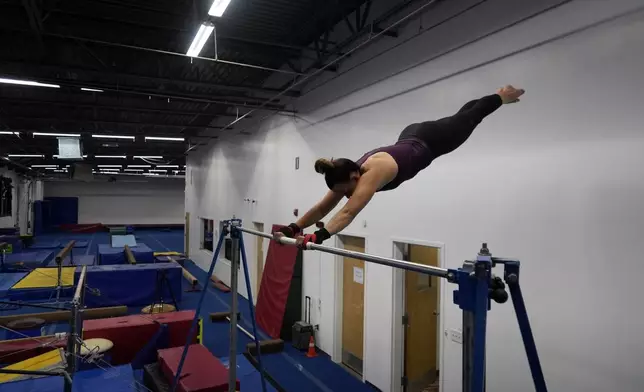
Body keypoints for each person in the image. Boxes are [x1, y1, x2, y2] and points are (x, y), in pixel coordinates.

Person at [274, 85, 525, 248]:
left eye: (348, 190)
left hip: (433, 141)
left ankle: (501, 96)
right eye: (344, 192)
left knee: (469, 118)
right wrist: (295, 227)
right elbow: (322, 208)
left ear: (354, 176)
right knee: (461, 118)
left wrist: (319, 237)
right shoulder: (346, 174)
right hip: (411, 135)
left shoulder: (373, 173)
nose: (348, 195)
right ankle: (490, 97)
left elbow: (349, 212)